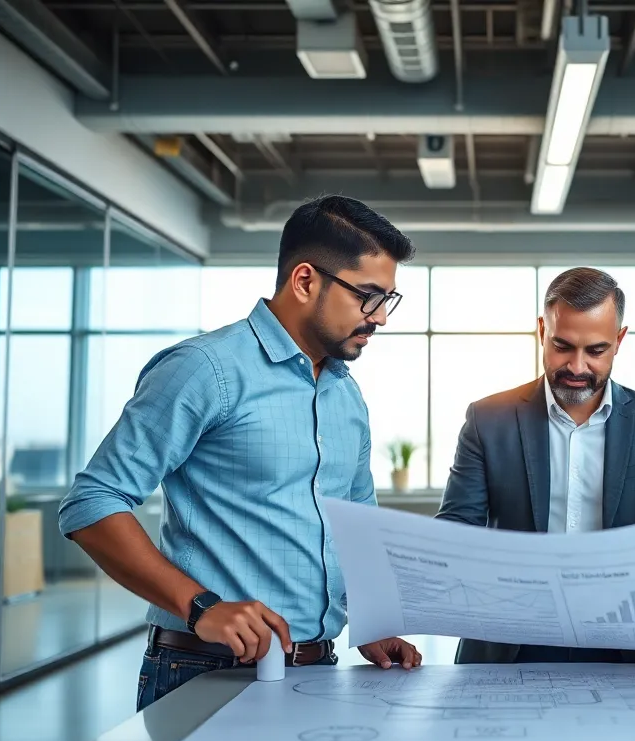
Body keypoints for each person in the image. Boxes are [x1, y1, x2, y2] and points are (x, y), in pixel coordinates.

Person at [59, 195, 423, 711]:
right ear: (304, 281)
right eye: (368, 296)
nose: (381, 317)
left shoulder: (346, 394)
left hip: (317, 672)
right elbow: (92, 502)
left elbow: (356, 524)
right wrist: (200, 606)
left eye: (389, 299)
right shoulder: (205, 369)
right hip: (203, 668)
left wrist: (369, 621)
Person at [436, 267, 635, 670]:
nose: (578, 366)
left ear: (619, 341)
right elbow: (457, 527)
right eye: (562, 346)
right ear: (540, 331)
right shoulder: (487, 419)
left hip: (631, 645)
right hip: (510, 643)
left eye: (596, 350)